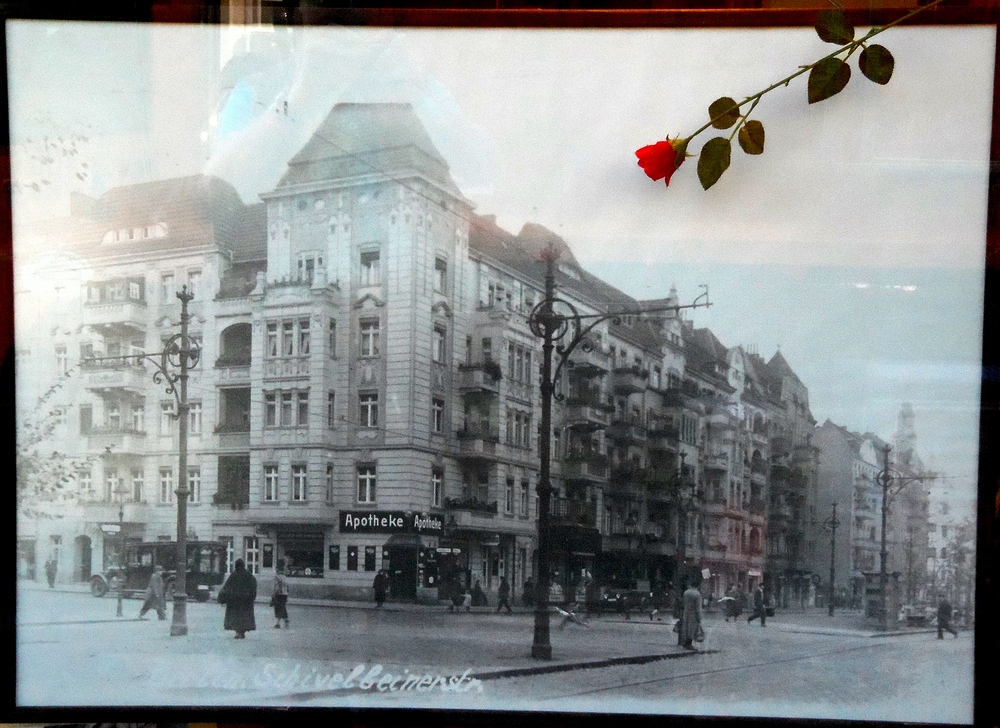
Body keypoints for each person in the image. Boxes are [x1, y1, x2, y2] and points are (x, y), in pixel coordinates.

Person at [217, 558, 257, 639]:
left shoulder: (234, 574)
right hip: (246, 600)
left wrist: (223, 598)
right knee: (244, 616)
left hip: (235, 600)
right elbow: (254, 585)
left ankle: (238, 632)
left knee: (236, 617)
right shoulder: (248, 574)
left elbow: (227, 587)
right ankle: (242, 632)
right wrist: (252, 596)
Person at [678, 579, 703, 650]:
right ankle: (689, 643)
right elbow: (698, 607)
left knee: (686, 628)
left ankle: (685, 642)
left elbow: (683, 603)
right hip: (693, 614)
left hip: (686, 612)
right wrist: (699, 617)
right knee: (692, 629)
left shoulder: (686, 592)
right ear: (697, 586)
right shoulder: (697, 594)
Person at [271, 559, 289, 629]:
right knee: (282, 607)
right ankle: (278, 623)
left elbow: (276, 586)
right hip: (285, 594)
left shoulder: (276, 577)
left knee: (279, 608)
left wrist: (273, 594)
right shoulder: (284, 577)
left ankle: (285, 620)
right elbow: (287, 586)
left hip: (279, 594)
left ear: (277, 569)